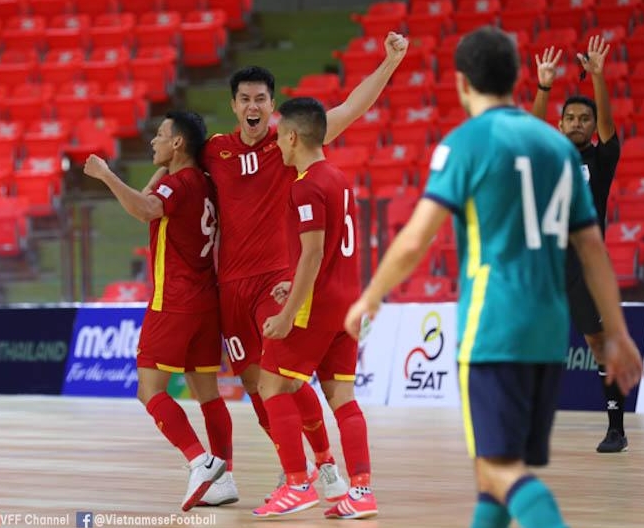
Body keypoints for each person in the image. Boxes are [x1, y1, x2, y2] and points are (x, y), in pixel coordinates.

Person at [344, 26, 644, 528]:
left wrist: (370, 296)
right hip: (548, 331)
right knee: (495, 477)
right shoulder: (558, 155)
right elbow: (592, 248)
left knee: (501, 471)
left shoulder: (469, 142)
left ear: (462, 83)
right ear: (517, 79)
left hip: (496, 324)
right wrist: (616, 330)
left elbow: (416, 238)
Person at [189, 31, 409, 505]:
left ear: (273, 107)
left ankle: (320, 469)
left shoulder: (289, 142)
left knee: (282, 381)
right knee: (257, 385)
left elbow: (352, 107)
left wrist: (388, 64)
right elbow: (178, 168)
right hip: (232, 287)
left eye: (262, 99)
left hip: (280, 280)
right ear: (233, 105)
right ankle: (306, 471)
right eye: (245, 98)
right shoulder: (214, 152)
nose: (253, 105)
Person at [83, 111, 231, 511]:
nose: (153, 141)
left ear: (178, 143)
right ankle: (225, 476)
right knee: (208, 395)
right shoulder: (202, 182)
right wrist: (159, 172)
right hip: (206, 301)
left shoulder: (177, 185)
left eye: (161, 135)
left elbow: (147, 209)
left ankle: (200, 462)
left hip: (174, 301)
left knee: (148, 389)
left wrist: (106, 175)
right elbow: (155, 196)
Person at [249, 97, 376, 519]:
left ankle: (297, 484)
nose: (278, 145)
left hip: (316, 307)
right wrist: (293, 283)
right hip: (347, 302)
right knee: (342, 395)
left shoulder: (304, 184)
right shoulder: (338, 178)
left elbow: (314, 252)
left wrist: (288, 313)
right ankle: (360, 492)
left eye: (281, 136)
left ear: (292, 136)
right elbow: (327, 254)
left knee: (273, 387)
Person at [532, 37, 626, 453]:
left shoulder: (600, 161)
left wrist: (600, 77)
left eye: (584, 119)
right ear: (560, 124)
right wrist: (544, 87)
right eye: (569, 118)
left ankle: (616, 428)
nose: (577, 123)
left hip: (586, 269)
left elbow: (608, 125)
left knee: (598, 345)